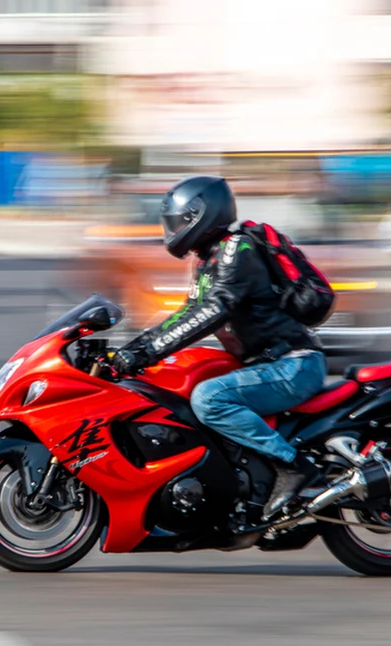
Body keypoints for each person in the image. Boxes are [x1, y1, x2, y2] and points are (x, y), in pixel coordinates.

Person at [109, 175, 327, 519]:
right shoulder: (209, 258)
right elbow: (187, 314)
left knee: (210, 398)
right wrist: (130, 349)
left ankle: (293, 467)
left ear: (201, 215)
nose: (173, 227)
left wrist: (144, 353)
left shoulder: (235, 250)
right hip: (267, 366)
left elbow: (213, 311)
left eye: (179, 220)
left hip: (291, 365)